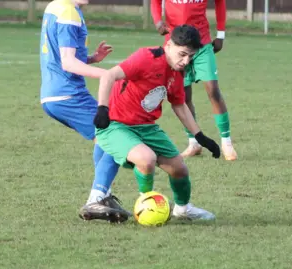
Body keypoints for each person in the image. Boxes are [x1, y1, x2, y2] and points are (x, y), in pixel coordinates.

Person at [93, 25, 219, 221]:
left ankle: (183, 209)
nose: (186, 61)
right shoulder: (147, 57)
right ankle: (146, 205)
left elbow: (179, 105)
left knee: (179, 168)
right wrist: (102, 108)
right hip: (115, 124)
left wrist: (200, 136)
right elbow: (109, 75)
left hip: (146, 127)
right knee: (146, 159)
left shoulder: (178, 71)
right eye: (183, 54)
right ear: (169, 45)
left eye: (191, 56)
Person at [39, 0, 130, 223]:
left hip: (56, 94)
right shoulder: (68, 13)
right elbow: (68, 63)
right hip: (67, 95)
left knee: (104, 136)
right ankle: (97, 198)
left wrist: (92, 59)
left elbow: (60, 55)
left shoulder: (57, 7)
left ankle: (102, 196)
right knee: (116, 136)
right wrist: (106, 74)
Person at [150, 0, 238, 161]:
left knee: (213, 90)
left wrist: (221, 35)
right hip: (176, 46)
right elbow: (155, 2)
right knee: (182, 96)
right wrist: (157, 21)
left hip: (202, 45)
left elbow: (220, 3)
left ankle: (226, 142)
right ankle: (193, 143)